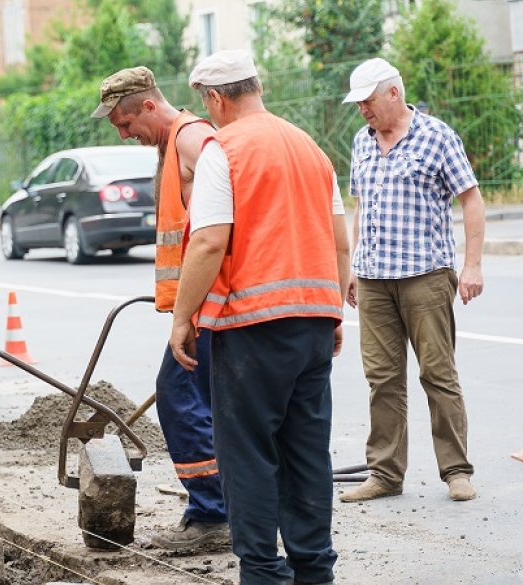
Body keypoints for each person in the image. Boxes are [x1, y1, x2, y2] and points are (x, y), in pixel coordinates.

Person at [170, 51, 350, 585]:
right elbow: (340, 243)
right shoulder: (312, 149)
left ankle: (264, 574)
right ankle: (315, 571)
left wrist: (183, 318)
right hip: (315, 323)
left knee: (247, 454)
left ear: (215, 98)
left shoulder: (223, 150)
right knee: (306, 452)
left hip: (252, 326)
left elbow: (207, 241)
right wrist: (332, 311)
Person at [91, 66, 229, 552]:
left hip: (212, 304)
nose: (126, 135)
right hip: (204, 303)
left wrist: (184, 315)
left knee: (178, 398)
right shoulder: (174, 146)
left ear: (149, 106)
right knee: (210, 406)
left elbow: (215, 234)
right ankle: (223, 507)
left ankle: (214, 513)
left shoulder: (194, 139)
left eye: (126, 124)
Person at [339, 58, 485, 504]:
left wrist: (472, 265)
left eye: (368, 101)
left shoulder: (437, 136)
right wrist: (354, 268)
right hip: (375, 280)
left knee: (438, 374)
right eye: (358, 103)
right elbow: (362, 206)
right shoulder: (362, 142)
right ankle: (385, 473)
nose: (362, 110)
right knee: (382, 379)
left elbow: (472, 201)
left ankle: (456, 470)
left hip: (426, 276)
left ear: (393, 94)